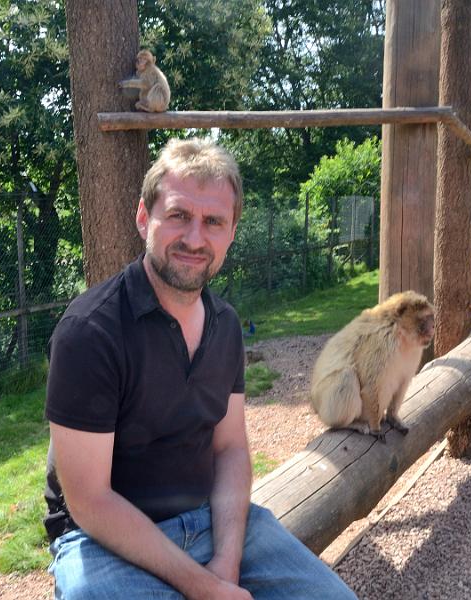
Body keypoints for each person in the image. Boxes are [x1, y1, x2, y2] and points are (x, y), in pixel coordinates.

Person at [43, 137, 356, 600]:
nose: (194, 238)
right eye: (178, 216)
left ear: (231, 232)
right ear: (143, 218)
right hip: (103, 542)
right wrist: (203, 587)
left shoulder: (226, 325)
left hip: (209, 522)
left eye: (213, 221)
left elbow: (229, 449)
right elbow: (89, 502)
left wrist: (225, 566)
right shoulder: (89, 332)